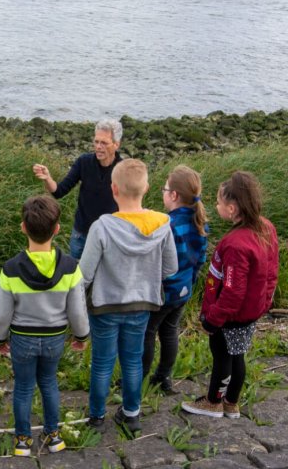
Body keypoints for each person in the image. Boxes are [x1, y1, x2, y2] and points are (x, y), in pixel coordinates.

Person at [79, 159, 178, 435]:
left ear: (114, 189)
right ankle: (131, 413)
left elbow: (84, 274)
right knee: (133, 360)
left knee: (102, 362)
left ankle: (97, 416)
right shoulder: (161, 224)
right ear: (146, 188)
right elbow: (171, 268)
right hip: (142, 303)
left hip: (105, 306)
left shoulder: (102, 226)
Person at [0, 195, 89, 457]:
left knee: (23, 387)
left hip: (22, 338)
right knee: (49, 383)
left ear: (23, 227)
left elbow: (2, 313)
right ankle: (53, 434)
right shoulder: (70, 267)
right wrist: (81, 335)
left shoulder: (11, 269)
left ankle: (23, 440)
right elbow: (78, 309)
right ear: (57, 229)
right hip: (55, 337)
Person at [182, 171, 279, 419]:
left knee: (223, 355)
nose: (216, 206)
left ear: (233, 208)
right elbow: (272, 270)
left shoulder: (236, 244)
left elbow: (233, 291)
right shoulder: (266, 227)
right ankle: (232, 403)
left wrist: (213, 319)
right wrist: (265, 301)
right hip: (252, 310)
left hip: (231, 315)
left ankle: (214, 401)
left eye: (219, 202)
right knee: (238, 354)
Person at [142, 166, 208, 393]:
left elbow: (157, 261)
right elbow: (201, 258)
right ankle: (163, 377)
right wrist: (190, 280)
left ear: (174, 195)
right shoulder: (200, 221)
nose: (163, 192)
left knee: (148, 332)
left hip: (165, 290)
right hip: (184, 288)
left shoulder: (166, 224)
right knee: (170, 331)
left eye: (165, 189)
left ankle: (139, 378)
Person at [33, 119, 123, 261]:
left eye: (104, 143)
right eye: (96, 141)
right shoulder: (84, 162)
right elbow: (59, 191)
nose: (98, 147)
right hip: (81, 234)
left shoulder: (123, 169)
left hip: (110, 235)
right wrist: (47, 178)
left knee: (102, 279)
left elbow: (132, 203)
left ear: (116, 144)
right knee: (76, 276)